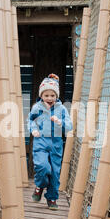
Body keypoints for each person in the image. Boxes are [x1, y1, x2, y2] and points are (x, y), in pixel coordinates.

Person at [27, 74, 72, 210]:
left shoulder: (61, 109)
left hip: (56, 143)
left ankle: (52, 197)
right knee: (42, 166)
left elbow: (69, 126)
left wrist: (60, 122)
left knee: (54, 172)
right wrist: (33, 129)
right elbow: (30, 120)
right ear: (41, 95)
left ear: (56, 96)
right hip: (40, 141)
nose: (49, 98)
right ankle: (40, 185)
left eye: (52, 95)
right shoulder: (37, 108)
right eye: (46, 95)